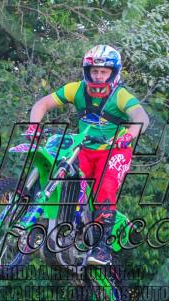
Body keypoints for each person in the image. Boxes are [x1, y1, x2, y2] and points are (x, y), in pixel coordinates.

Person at [25, 45, 149, 265]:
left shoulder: (120, 95)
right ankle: (52, 222)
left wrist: (129, 135)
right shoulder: (76, 89)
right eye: (95, 71)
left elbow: (141, 117)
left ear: (113, 73)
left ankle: (103, 249)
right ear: (87, 71)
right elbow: (42, 103)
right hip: (84, 148)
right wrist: (34, 126)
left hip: (114, 150)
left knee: (104, 190)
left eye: (104, 71)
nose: (98, 76)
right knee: (59, 171)